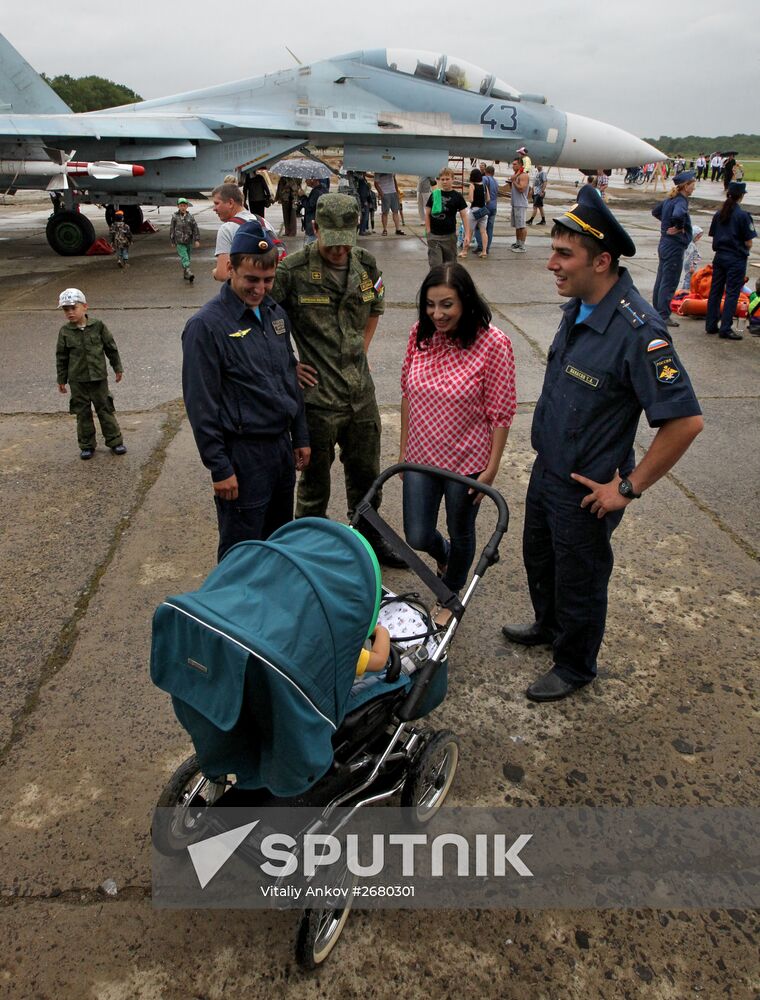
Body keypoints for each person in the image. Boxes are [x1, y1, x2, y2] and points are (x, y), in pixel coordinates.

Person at [501, 196, 703, 702]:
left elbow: (685, 422)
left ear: (601, 261)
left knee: (580, 579)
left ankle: (574, 665)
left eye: (564, 254)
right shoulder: (580, 307)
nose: (551, 264)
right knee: (540, 560)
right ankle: (549, 629)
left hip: (587, 489)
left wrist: (627, 488)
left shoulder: (640, 331)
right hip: (549, 471)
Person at [271, 193, 405, 568]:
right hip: (317, 400)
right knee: (314, 482)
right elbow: (266, 321)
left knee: (366, 474)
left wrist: (362, 348)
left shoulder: (366, 264)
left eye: (345, 242)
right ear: (315, 229)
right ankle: (307, 550)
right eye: (330, 242)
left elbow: (376, 305)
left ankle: (369, 540)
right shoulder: (292, 271)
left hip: (361, 395)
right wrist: (287, 364)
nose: (337, 251)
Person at [182, 221, 310, 561]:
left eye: (268, 281)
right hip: (243, 455)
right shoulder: (206, 326)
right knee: (242, 551)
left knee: (279, 541)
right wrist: (219, 467)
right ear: (230, 269)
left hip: (280, 450)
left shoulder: (274, 313)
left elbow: (288, 373)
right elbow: (201, 404)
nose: (260, 289)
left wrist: (300, 434)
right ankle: (232, 610)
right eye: (251, 280)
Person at [400, 263, 517, 625]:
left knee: (460, 529)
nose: (437, 314)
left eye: (447, 304)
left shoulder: (493, 343)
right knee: (417, 534)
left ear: (465, 301)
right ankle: (447, 555)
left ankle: (450, 595)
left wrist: (492, 467)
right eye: (431, 305)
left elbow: (501, 411)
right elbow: (406, 392)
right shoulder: (420, 333)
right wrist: (403, 450)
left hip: (468, 461)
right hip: (421, 455)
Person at [55, 287, 127, 460]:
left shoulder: (98, 326)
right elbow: (61, 357)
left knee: (105, 409)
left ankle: (115, 441)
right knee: (82, 413)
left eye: (74, 308)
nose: (70, 313)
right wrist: (61, 379)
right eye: (66, 309)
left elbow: (111, 348)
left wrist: (117, 368)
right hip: (77, 380)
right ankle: (87, 445)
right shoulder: (65, 332)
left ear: (85, 307)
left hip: (98, 378)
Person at [705, 182, 757, 341]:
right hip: (735, 258)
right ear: (741, 196)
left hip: (720, 256)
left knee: (715, 291)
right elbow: (749, 241)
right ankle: (726, 328)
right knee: (732, 293)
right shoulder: (743, 215)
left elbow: (713, 234)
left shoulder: (719, 213)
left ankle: (711, 324)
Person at [651, 170, 697, 327]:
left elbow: (655, 212)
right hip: (674, 245)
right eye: (692, 185)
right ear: (685, 186)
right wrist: (678, 227)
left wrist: (666, 223)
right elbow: (678, 215)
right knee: (669, 281)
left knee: (661, 278)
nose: (694, 188)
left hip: (664, 243)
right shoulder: (681, 201)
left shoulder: (670, 199)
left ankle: (656, 311)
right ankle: (663, 315)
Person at [211, 183, 274, 282]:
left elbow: (223, 274)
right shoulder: (263, 221)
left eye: (217, 203)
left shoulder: (227, 229)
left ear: (231, 203)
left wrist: (215, 272)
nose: (214, 209)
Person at [425, 167, 470, 267]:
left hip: (449, 237)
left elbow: (464, 216)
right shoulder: (435, 195)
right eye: (442, 179)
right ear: (439, 180)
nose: (445, 182)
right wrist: (428, 231)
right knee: (436, 266)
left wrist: (467, 234)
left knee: (450, 266)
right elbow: (427, 213)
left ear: (453, 179)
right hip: (434, 236)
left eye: (447, 179)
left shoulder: (457, 196)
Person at [169, 198, 201, 282]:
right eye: (181, 206)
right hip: (179, 241)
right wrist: (172, 240)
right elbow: (172, 229)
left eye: (184, 205)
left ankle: (186, 273)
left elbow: (195, 229)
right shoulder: (175, 217)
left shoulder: (190, 217)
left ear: (187, 206)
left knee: (188, 257)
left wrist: (197, 240)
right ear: (178, 206)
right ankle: (188, 271)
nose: (182, 207)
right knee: (185, 257)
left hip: (188, 241)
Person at [463, 167, 488, 259]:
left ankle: (464, 251)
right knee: (483, 232)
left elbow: (471, 199)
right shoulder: (484, 185)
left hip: (474, 211)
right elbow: (488, 199)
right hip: (483, 211)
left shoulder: (472, 186)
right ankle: (484, 251)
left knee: (469, 232)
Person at [506, 157, 530, 252]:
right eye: (513, 164)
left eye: (515, 164)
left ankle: (522, 246)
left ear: (520, 165)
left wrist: (513, 181)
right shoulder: (516, 175)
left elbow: (521, 189)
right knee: (517, 225)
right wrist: (511, 182)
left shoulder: (523, 176)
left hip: (521, 204)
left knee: (522, 225)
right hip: (515, 204)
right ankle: (518, 243)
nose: (513, 166)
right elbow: (514, 188)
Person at [301, 177, 326, 245]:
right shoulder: (322, 189)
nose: (306, 181)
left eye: (307, 179)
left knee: (309, 248)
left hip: (313, 224)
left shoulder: (316, 192)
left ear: (313, 179)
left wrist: (302, 196)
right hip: (318, 223)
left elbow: (309, 206)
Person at [679, 225, 703, 292]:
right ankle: (685, 291)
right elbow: (689, 257)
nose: (698, 239)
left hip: (692, 266)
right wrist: (691, 267)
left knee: (688, 279)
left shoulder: (692, 244)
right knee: (688, 280)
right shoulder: (691, 245)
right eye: (697, 237)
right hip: (690, 267)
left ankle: (684, 290)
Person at [482, 165, 499, 253]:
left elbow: (481, 190)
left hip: (486, 206)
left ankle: (481, 246)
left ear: (485, 171)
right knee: (490, 228)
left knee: (480, 227)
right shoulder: (496, 181)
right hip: (494, 206)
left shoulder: (485, 179)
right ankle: (487, 247)